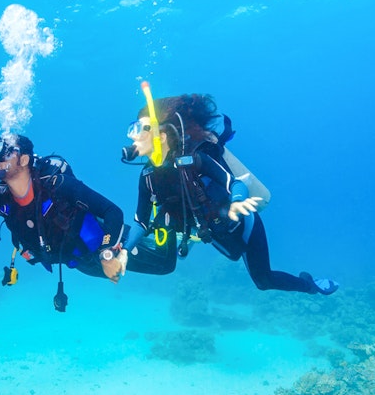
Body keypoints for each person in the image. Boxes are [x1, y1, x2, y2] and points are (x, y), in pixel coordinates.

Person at [0, 106, 176, 310]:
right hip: (80, 262)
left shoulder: (57, 185)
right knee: (160, 256)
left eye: (5, 153)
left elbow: (112, 212)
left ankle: (171, 208)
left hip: (107, 242)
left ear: (25, 159)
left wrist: (108, 254)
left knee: (166, 264)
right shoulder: (2, 199)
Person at [121, 93, 338, 295]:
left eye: (141, 128)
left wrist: (236, 203)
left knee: (263, 281)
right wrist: (124, 252)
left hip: (244, 225)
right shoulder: (148, 176)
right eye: (133, 128)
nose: (134, 136)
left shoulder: (195, 160)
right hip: (214, 231)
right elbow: (140, 222)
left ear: (162, 134)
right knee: (218, 250)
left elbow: (236, 184)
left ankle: (311, 285)